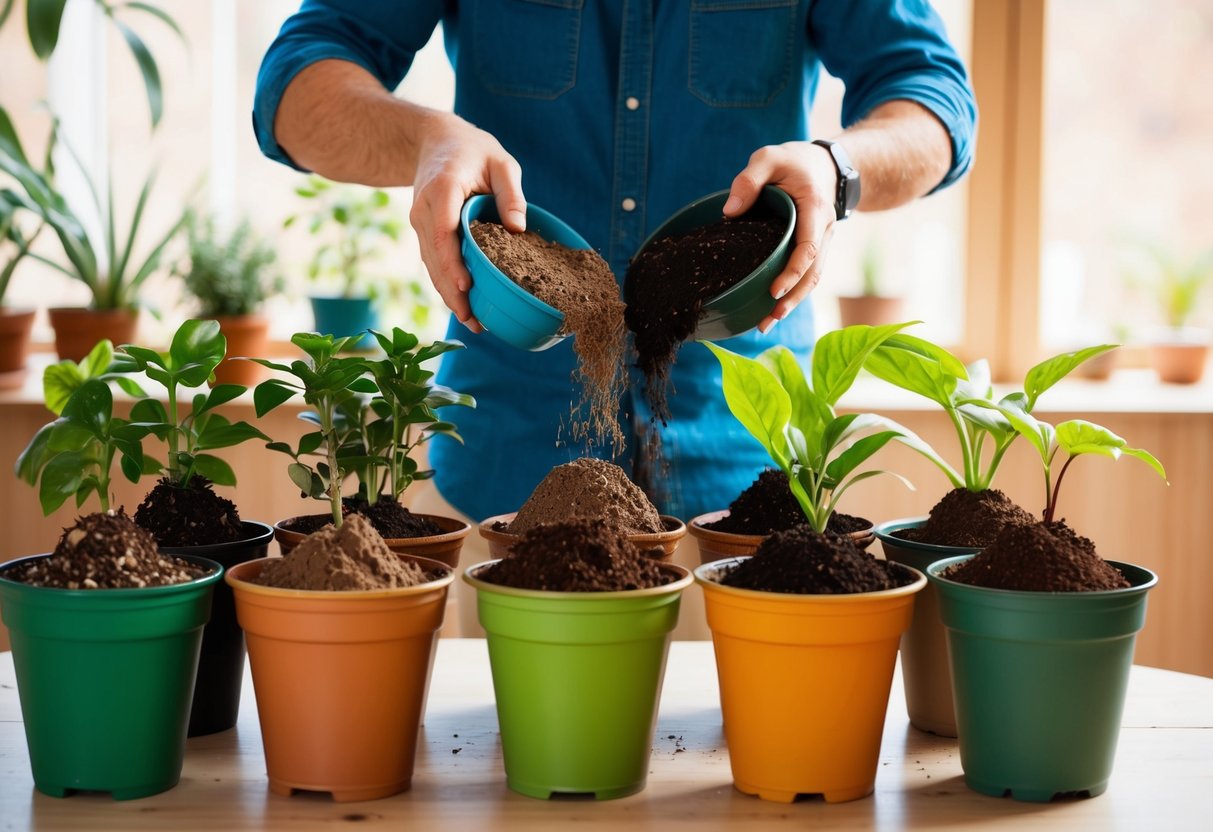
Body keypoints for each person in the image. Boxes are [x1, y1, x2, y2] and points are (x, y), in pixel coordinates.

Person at [254, 1, 976, 625]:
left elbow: (935, 101)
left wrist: (836, 166)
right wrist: (425, 141)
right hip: (513, 457)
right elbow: (292, 90)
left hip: (743, 499)